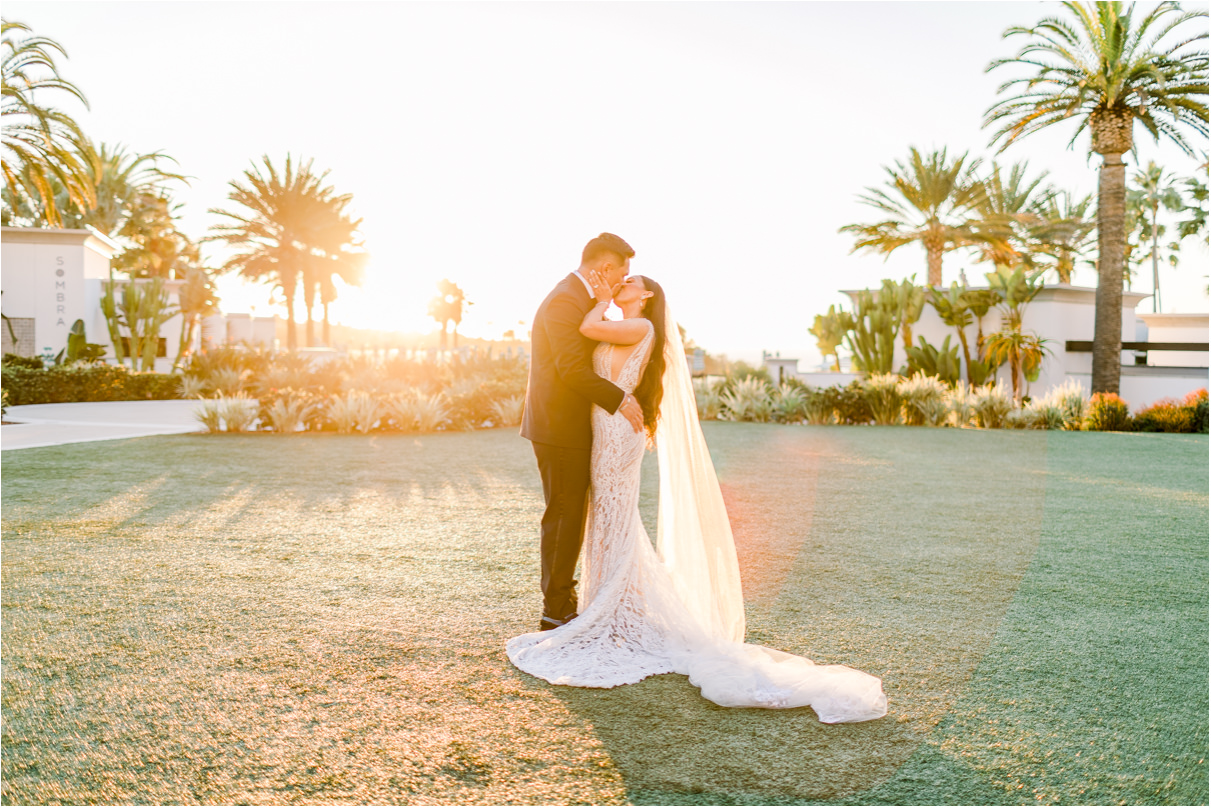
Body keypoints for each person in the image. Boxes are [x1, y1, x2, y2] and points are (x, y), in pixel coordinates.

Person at [509, 271, 888, 723]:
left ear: (645, 297)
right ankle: (609, 601)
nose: (620, 285)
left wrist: (601, 297)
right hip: (604, 427)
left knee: (614, 514)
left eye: (628, 283)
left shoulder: (641, 326)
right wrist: (607, 300)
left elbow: (589, 328)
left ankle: (612, 606)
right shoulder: (625, 325)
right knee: (607, 516)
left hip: (615, 432)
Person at [520, 233, 645, 632]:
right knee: (564, 516)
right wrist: (620, 399)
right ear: (605, 269)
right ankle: (556, 611)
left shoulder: (584, 301)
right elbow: (570, 370)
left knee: (573, 515)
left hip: (577, 425)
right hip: (559, 427)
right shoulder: (564, 300)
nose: (624, 281)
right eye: (622, 274)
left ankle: (570, 602)